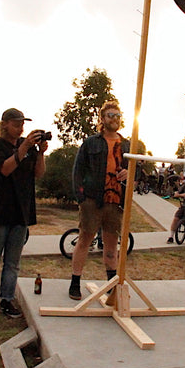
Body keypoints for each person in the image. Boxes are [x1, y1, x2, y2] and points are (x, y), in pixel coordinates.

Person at [0, 109, 47, 321]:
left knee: (13, 262)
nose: (20, 128)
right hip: (0, 211)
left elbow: (39, 174)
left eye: (22, 124)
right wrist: (24, 147)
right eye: (16, 124)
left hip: (21, 211)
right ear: (5, 124)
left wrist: (40, 152)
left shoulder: (28, 146)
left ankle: (7, 299)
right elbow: (5, 169)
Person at [68, 101, 129, 301]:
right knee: (85, 239)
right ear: (102, 119)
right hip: (92, 201)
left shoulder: (127, 144)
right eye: (111, 115)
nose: (115, 118)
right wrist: (82, 198)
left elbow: (137, 173)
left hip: (115, 201)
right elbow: (78, 170)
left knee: (112, 244)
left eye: (118, 115)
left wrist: (129, 173)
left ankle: (111, 287)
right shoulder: (91, 143)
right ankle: (75, 283)